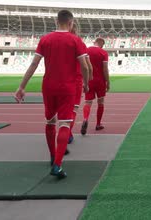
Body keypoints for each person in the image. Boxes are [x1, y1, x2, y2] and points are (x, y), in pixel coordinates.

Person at [15, 10, 89, 179]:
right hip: (67, 88)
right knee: (64, 124)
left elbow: (34, 63)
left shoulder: (45, 39)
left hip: (48, 86)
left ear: (57, 22)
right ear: (71, 23)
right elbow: (84, 66)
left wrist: (22, 86)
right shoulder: (75, 40)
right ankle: (57, 164)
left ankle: (52, 155)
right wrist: (85, 83)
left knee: (50, 121)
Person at [69, 22, 92, 143]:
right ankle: (67, 133)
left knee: (60, 111)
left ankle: (62, 135)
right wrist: (87, 83)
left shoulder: (52, 39)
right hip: (75, 80)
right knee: (73, 109)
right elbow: (87, 66)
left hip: (58, 78)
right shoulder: (79, 43)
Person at [81, 37, 110, 134]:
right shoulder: (103, 53)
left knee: (88, 102)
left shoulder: (86, 50)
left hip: (89, 79)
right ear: (101, 43)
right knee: (100, 102)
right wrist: (108, 82)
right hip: (100, 81)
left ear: (95, 42)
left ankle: (85, 119)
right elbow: (105, 69)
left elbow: (83, 65)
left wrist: (84, 80)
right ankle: (98, 124)